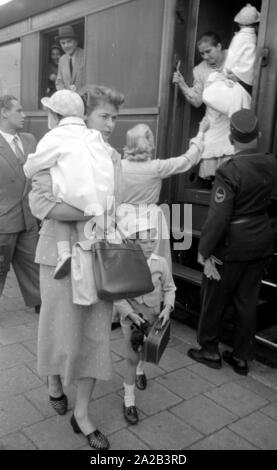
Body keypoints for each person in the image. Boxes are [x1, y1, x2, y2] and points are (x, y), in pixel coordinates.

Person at [28, 85, 124, 450]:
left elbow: (116, 205)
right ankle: (53, 379)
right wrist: (91, 211)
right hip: (58, 255)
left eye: (116, 118)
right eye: (105, 117)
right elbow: (40, 202)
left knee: (96, 336)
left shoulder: (112, 157)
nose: (112, 125)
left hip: (99, 255)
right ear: (82, 118)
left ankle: (82, 415)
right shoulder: (53, 148)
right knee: (56, 328)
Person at [188, 109, 277, 376]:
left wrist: (204, 250)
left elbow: (219, 217)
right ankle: (241, 357)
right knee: (247, 300)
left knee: (213, 298)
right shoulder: (272, 163)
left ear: (230, 137)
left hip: (230, 246)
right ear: (258, 135)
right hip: (261, 241)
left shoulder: (229, 170)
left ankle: (210, 350)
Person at [24, 89, 114, 280]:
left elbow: (35, 164)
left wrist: (28, 169)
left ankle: (64, 253)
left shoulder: (55, 136)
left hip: (72, 200)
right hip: (99, 200)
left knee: (59, 206)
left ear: (55, 115)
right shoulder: (93, 136)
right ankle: (68, 255)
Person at [117, 120, 208, 271]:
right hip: (151, 219)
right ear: (149, 144)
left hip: (124, 219)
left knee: (126, 264)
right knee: (154, 264)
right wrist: (201, 133)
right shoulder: (156, 167)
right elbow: (187, 159)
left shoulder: (119, 166)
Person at [114, 218, 176, 425]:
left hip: (153, 317)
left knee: (145, 351)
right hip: (132, 319)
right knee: (132, 357)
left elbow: (169, 288)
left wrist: (168, 307)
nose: (150, 245)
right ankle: (129, 400)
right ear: (132, 242)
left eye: (152, 241)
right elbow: (117, 295)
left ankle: (141, 370)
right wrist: (129, 314)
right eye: (144, 241)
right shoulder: (124, 264)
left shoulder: (160, 263)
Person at [173, 32, 234, 179]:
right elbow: (197, 101)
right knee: (213, 172)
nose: (206, 56)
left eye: (208, 51)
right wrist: (182, 84)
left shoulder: (234, 56)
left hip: (232, 118)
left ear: (219, 46)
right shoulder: (199, 70)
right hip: (213, 121)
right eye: (202, 54)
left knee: (232, 170)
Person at [0, 95, 41, 312]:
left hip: (28, 217)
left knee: (34, 263)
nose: (24, 115)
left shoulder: (29, 140)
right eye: (19, 110)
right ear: (4, 112)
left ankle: (40, 302)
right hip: (3, 220)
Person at [203, 4, 260, 117]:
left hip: (237, 78)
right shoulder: (254, 38)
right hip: (247, 78)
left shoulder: (240, 38)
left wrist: (225, 74)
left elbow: (232, 58)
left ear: (239, 24)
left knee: (211, 85)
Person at [55, 25, 85, 92]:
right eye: (63, 43)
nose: (66, 45)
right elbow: (59, 81)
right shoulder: (62, 59)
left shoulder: (85, 55)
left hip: (84, 98)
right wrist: (65, 94)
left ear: (76, 42)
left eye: (69, 41)